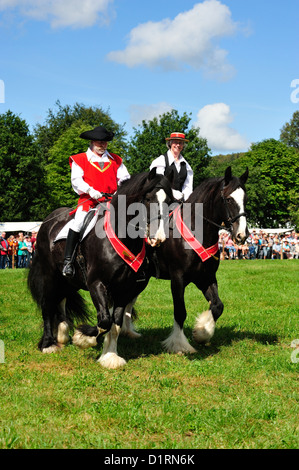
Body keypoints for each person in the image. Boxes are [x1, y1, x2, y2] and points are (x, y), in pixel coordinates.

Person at [62, 125, 130, 277]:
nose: (102, 144)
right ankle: (68, 261)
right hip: (89, 201)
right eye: (99, 142)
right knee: (78, 223)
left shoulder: (116, 160)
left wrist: (120, 191)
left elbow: (125, 179)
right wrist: (90, 190)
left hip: (112, 201)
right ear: (92, 141)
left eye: (105, 142)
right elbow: (76, 180)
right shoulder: (80, 159)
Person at [150, 132, 193, 201]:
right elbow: (158, 183)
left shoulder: (187, 166)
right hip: (162, 200)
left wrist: (185, 200)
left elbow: (188, 187)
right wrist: (174, 194)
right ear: (170, 143)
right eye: (175, 142)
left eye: (181, 143)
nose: (178, 145)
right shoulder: (160, 161)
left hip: (181, 202)